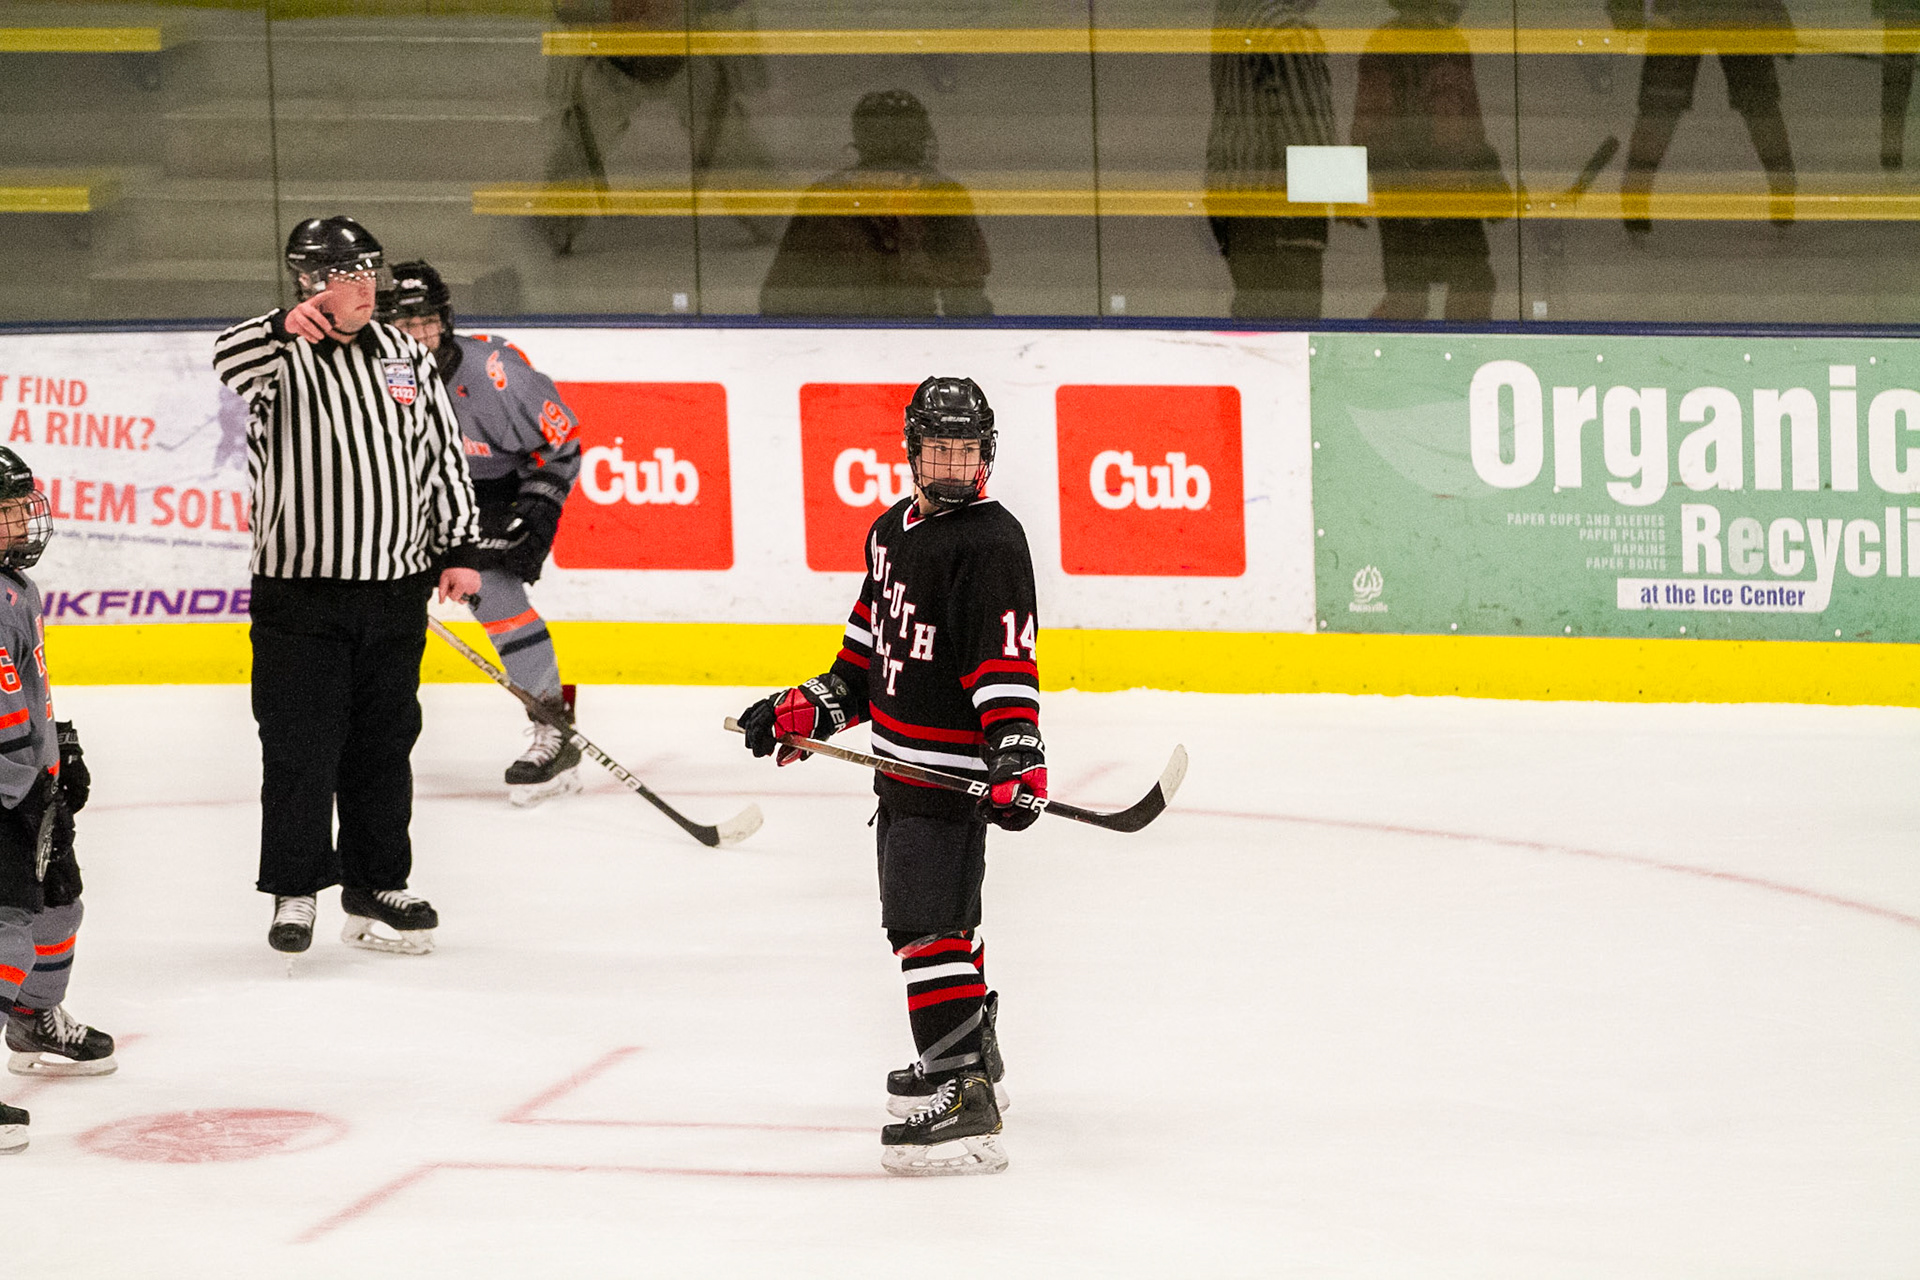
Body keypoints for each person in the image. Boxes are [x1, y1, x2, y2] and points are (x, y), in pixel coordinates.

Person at [736, 376, 1041, 1177]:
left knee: (924, 929)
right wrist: (807, 709)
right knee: (944, 924)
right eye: (940, 450)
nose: (953, 466)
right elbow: (864, 661)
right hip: (898, 774)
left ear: (987, 455)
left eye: (966, 452)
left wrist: (1017, 748)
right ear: (912, 452)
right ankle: (969, 1058)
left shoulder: (992, 541)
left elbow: (1004, 658)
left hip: (947, 776)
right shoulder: (889, 534)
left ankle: (962, 1095)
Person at [212, 216, 482, 957]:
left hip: (394, 590)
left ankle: (377, 882)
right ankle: (295, 888)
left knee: (383, 748)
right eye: (346, 275)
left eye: (370, 272)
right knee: (300, 747)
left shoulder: (404, 353)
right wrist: (282, 326)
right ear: (308, 281)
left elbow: (440, 453)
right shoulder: (275, 355)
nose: (366, 287)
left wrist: (458, 546)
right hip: (300, 596)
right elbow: (227, 358)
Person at [380, 260, 585, 806]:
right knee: (376, 608)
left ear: (445, 319)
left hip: (493, 491)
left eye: (427, 321)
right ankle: (368, 738)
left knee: (494, 591)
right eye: (404, 324)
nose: (418, 335)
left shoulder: (497, 375)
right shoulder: (367, 376)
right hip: (410, 495)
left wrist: (538, 506)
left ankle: (553, 725)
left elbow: (561, 443)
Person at [0, 447, 117, 1154]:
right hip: (5, 791)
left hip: (26, 782)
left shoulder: (17, 587)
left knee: (57, 907)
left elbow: (27, 688)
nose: (23, 521)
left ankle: (34, 1021)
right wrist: (20, 787)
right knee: (7, 931)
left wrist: (58, 748)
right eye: (7, 510)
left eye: (23, 507)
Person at [759, 90, 991, 318]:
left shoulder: (825, 193)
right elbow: (965, 295)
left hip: (836, 333)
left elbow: (777, 296)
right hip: (911, 331)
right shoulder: (940, 192)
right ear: (919, 138)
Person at [1350, 0, 1507, 320]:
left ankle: (1378, 345)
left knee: (1424, 292)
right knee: (1458, 288)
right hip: (1435, 191)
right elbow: (1467, 126)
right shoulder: (1437, 43)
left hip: (1420, 192)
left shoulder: (1396, 42)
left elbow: (1367, 127)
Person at [1205, 0, 1337, 319]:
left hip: (1236, 209)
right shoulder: (1288, 29)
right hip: (1284, 217)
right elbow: (1307, 129)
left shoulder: (1234, 17)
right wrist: (1344, 196)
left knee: (1255, 323)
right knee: (1293, 326)